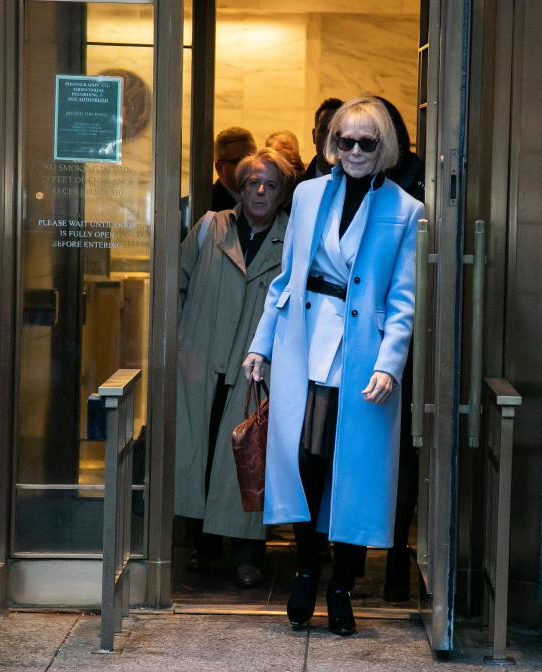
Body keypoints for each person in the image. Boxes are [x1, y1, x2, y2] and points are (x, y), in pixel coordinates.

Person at [243, 97, 423, 636]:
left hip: (364, 352)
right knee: (305, 462)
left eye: (367, 142)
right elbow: (284, 280)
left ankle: (341, 587)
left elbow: (403, 299)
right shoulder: (307, 194)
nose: (356, 151)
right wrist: (260, 345)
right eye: (346, 141)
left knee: (354, 471)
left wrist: (390, 363)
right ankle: (305, 570)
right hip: (304, 341)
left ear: (383, 146)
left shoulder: (406, 209)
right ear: (333, 143)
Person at [176, 147, 295, 588]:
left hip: (258, 367)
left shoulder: (294, 238)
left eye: (270, 185)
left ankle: (249, 556)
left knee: (250, 457)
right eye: (252, 183)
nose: (260, 192)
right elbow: (177, 285)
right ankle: (202, 549)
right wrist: (182, 342)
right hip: (201, 361)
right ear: (239, 189)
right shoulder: (211, 228)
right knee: (202, 450)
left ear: (282, 194)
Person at [375, 96, 424, 602]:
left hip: (411, 334)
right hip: (359, 333)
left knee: (404, 448)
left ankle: (395, 553)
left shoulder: (415, 186)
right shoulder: (338, 186)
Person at [296, 97, 343, 185]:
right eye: (323, 131)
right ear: (314, 136)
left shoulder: (362, 185)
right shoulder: (297, 185)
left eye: (336, 131)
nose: (328, 138)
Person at [211, 127, 257, 212]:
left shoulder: (267, 199)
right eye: (240, 161)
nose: (249, 167)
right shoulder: (204, 205)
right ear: (220, 168)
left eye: (252, 159)